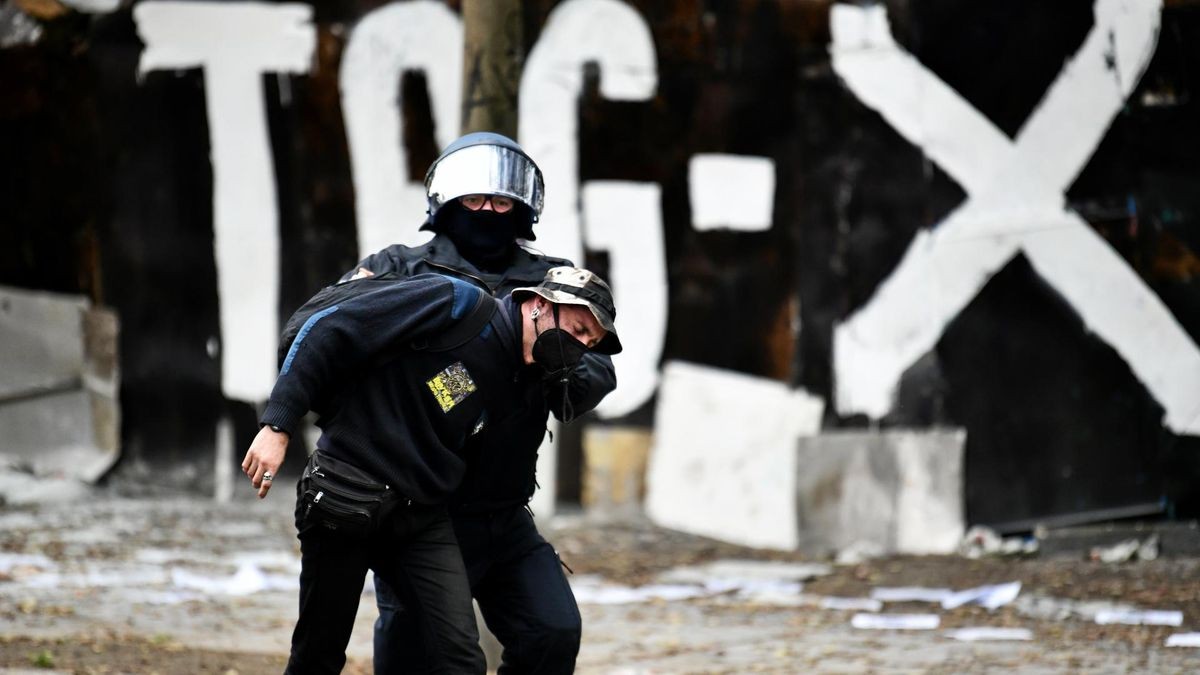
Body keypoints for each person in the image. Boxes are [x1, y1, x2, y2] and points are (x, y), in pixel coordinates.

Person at [241, 266, 622, 674]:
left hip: (421, 516)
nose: (581, 346)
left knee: (458, 660)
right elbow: (328, 326)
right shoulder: (456, 302)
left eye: (591, 342)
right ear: (540, 305)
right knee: (319, 654)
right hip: (345, 491)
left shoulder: (527, 375)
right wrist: (277, 424)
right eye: (579, 330)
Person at [348, 132, 617, 674]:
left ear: (521, 210)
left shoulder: (553, 280)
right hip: (418, 511)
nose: (488, 211)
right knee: (417, 655)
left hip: (503, 510)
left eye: (501, 202)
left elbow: (596, 368)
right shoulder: (398, 269)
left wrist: (551, 362)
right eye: (475, 200)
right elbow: (335, 340)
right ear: (446, 203)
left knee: (552, 631)